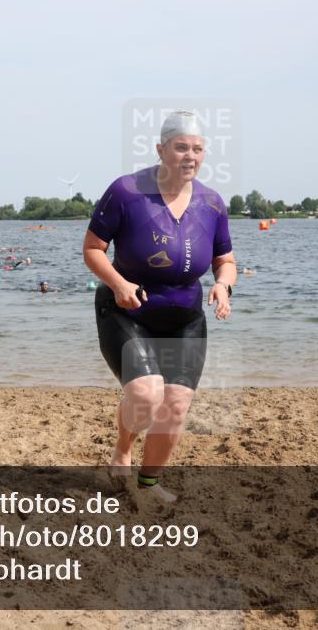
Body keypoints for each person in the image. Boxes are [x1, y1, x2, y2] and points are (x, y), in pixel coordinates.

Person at [83, 110, 236, 502]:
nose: (190, 156)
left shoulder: (213, 204)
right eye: (181, 147)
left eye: (198, 149)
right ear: (160, 149)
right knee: (147, 394)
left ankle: (149, 484)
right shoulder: (126, 192)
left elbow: (226, 260)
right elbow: (92, 250)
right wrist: (118, 283)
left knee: (177, 404)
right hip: (127, 309)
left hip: (185, 316)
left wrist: (223, 285)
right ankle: (122, 447)